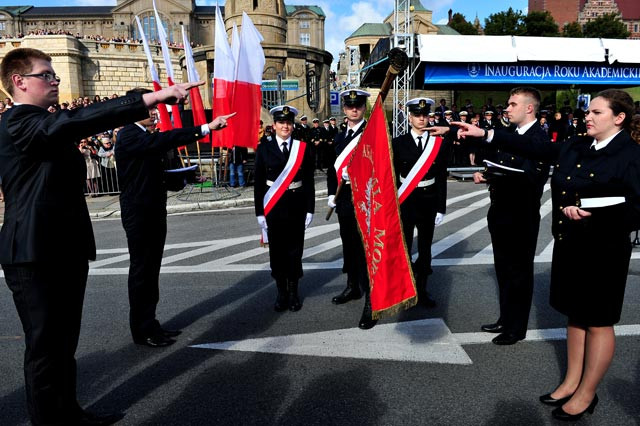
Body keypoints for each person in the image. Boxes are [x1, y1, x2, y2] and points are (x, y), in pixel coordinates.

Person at [0, 47, 203, 426]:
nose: (56, 80)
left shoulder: (44, 126)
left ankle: (68, 413)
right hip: (33, 253)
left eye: (55, 74)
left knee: (63, 345)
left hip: (65, 249)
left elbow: (67, 128)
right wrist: (149, 98)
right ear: (19, 82)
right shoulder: (18, 121)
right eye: (47, 74)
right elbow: (74, 121)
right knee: (45, 348)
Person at [456, 88, 640, 422]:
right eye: (588, 112)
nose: (588, 117)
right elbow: (535, 146)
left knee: (598, 322)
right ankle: (571, 381)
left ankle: (587, 392)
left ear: (619, 118)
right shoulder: (578, 145)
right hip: (572, 244)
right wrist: (486, 133)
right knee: (575, 315)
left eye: (597, 113)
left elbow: (636, 206)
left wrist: (598, 212)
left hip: (605, 248)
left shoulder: (631, 154)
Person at [116, 87, 234, 347]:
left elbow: (157, 175)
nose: (154, 114)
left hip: (153, 210)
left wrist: (189, 176)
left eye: (155, 109)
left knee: (152, 271)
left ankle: (151, 323)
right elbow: (162, 142)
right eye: (150, 109)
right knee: (143, 272)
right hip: (139, 214)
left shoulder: (142, 135)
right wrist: (204, 128)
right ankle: (142, 330)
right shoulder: (128, 135)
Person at [433, 87, 551, 345]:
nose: (506, 109)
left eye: (512, 104)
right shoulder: (509, 133)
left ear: (529, 108)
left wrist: (500, 173)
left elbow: (531, 176)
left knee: (519, 273)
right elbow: (491, 145)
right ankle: (506, 318)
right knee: (503, 270)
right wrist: (485, 173)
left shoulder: (538, 138)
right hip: (500, 211)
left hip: (521, 214)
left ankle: (516, 328)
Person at [254, 105, 315, 312]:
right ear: (274, 125)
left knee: (295, 251)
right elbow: (259, 182)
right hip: (274, 207)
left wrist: (310, 209)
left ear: (293, 126)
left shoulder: (302, 148)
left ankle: (293, 292)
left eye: (289, 123)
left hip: (296, 205)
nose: (285, 126)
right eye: (281, 122)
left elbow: (308, 181)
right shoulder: (264, 148)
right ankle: (280, 293)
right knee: (277, 252)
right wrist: (259, 212)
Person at [327, 89, 377, 329]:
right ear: (344, 109)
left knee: (366, 250)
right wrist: (330, 194)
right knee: (348, 244)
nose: (354, 109)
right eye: (349, 106)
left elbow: (379, 167)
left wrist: (357, 174)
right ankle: (352, 286)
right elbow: (331, 167)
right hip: (344, 201)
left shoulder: (372, 134)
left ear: (363, 108)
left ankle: (371, 301)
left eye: (358, 106)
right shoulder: (339, 136)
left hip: (366, 200)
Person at [392, 97, 449, 308]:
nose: (422, 119)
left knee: (425, 248)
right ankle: (405, 290)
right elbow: (392, 176)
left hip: (428, 200)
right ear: (409, 117)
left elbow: (442, 176)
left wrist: (441, 207)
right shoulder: (398, 143)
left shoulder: (438, 143)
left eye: (425, 115)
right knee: (404, 247)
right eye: (417, 115)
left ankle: (422, 289)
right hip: (405, 200)